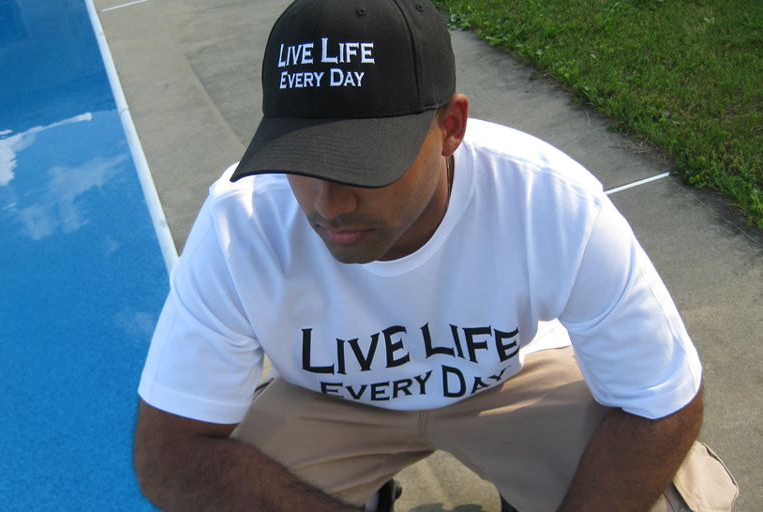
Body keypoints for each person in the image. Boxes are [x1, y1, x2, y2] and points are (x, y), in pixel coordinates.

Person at [133, 0, 738, 511]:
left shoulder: (550, 200)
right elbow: (168, 455)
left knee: (671, 497)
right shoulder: (239, 221)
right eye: (299, 159)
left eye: (362, 164)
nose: (327, 203)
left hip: (513, 380)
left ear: (450, 127)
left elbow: (663, 403)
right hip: (329, 402)